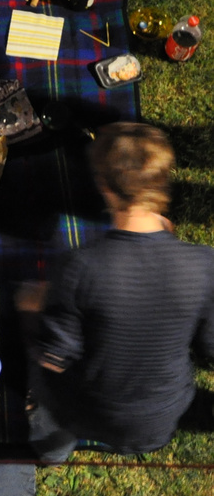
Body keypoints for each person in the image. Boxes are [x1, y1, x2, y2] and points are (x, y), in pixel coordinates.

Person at [17, 123, 214, 463]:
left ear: (105, 188)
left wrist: (34, 307)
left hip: (86, 412)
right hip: (158, 421)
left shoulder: (79, 267)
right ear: (163, 183)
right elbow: (210, 347)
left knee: (40, 367)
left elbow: (55, 357)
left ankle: (53, 447)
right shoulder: (204, 264)